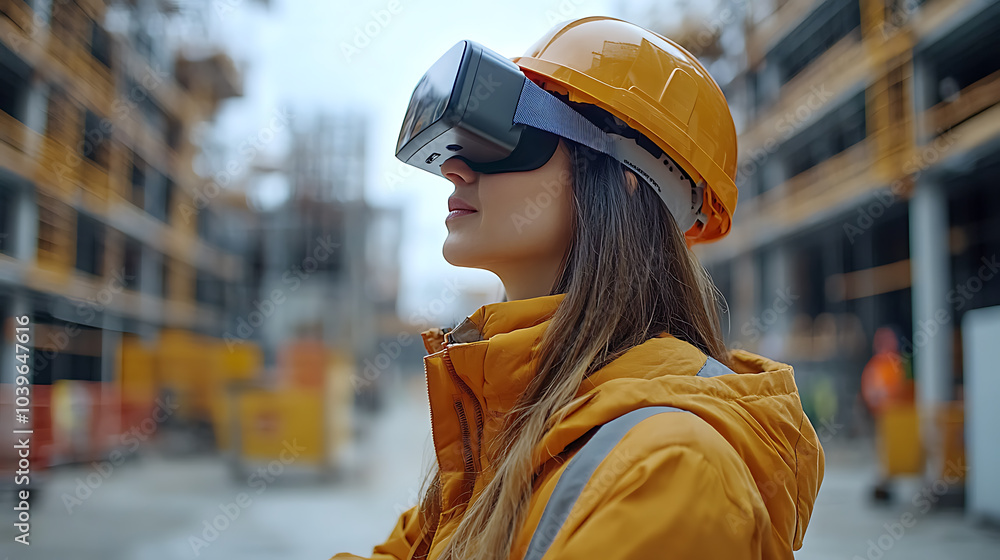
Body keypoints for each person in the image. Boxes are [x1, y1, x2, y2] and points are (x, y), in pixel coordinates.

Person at [334, 16, 825, 560]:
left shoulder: (668, 469)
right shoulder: (504, 417)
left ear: (625, 179)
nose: (453, 167)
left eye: (506, 135)